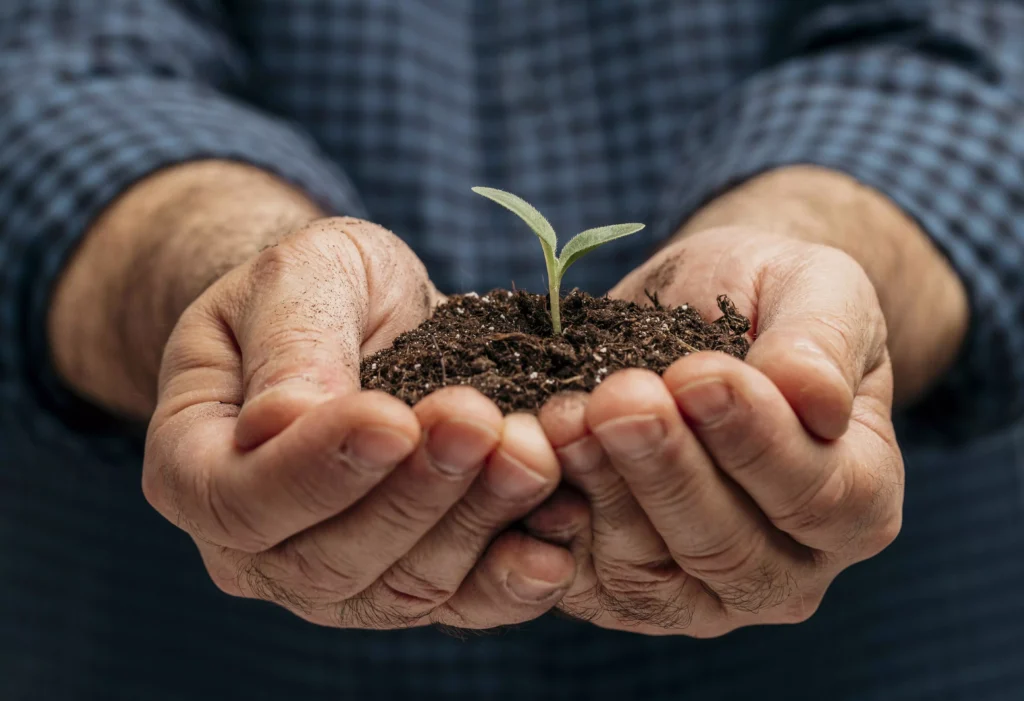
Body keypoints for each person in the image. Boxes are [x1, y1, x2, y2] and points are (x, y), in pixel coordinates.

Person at [1, 1, 1022, 699]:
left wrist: (825, 249)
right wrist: (218, 271)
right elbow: (50, 57)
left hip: (880, 656)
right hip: (174, 652)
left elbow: (972, 51)